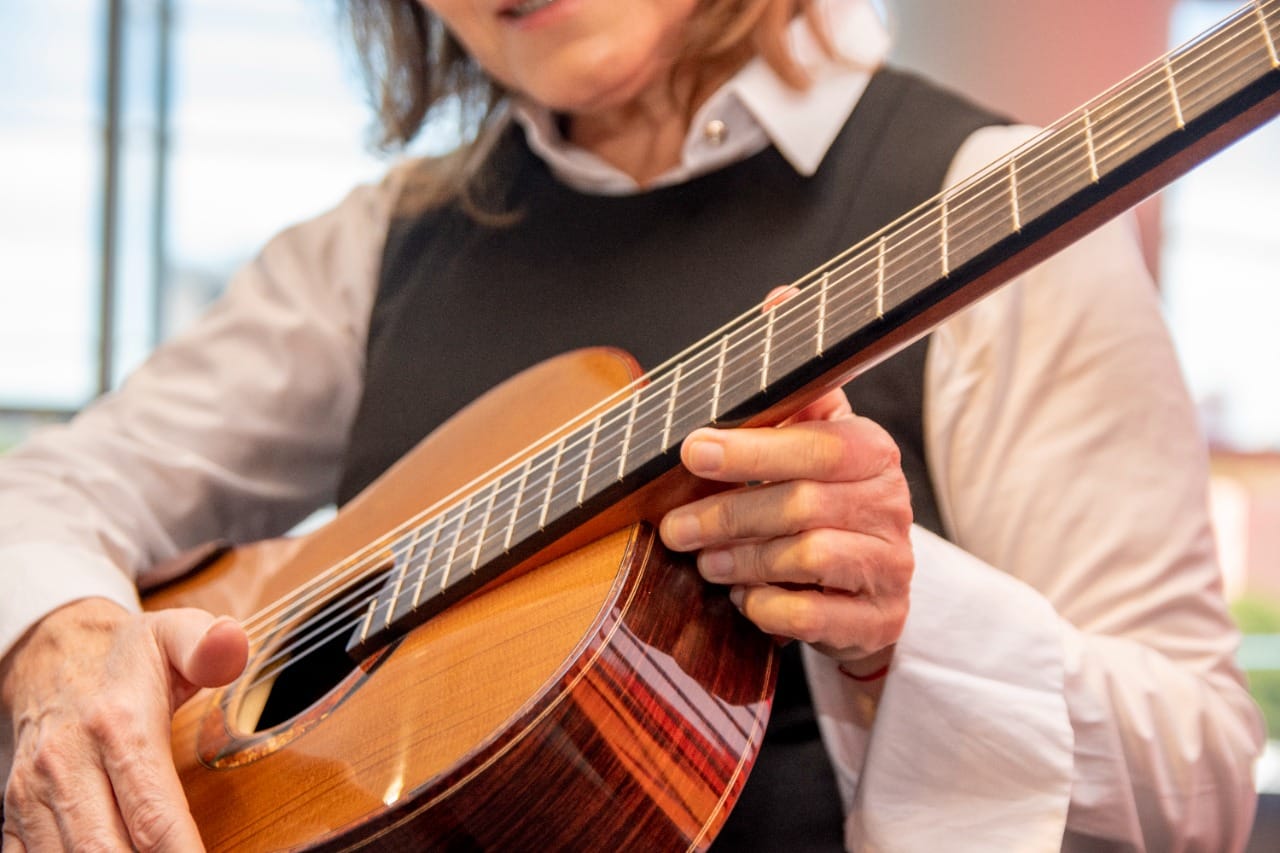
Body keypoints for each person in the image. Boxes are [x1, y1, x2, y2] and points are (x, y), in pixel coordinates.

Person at [0, 0, 1265, 849]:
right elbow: (44, 497)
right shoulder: (369, 251)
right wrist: (61, 640)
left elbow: (1201, 781)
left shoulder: (985, 205)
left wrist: (905, 630)